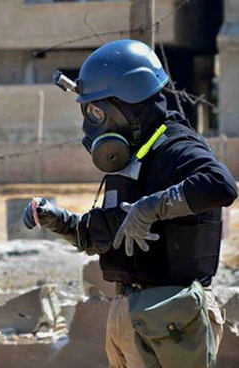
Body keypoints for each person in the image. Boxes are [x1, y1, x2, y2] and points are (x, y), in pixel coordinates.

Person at [23, 40, 237, 368]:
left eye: (96, 111)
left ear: (128, 103)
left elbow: (220, 185)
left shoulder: (177, 147)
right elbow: (111, 231)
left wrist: (151, 208)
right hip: (129, 312)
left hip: (172, 318)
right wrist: (64, 223)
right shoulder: (132, 158)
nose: (90, 124)